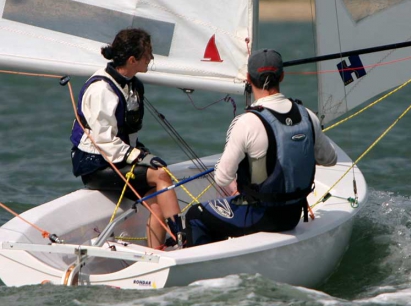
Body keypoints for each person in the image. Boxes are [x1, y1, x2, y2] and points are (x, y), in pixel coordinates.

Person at [185, 48, 337, 246]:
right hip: (292, 215)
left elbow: (222, 178)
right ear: (282, 76)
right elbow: (330, 159)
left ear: (248, 78)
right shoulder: (308, 116)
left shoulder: (247, 122)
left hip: (259, 216)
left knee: (195, 215)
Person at [70, 28, 182, 249]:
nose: (151, 58)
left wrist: (140, 153)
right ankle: (181, 236)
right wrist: (138, 156)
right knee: (162, 176)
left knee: (157, 201)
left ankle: (156, 252)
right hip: (95, 164)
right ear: (132, 60)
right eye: (148, 54)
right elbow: (104, 142)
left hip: (118, 158)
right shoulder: (102, 89)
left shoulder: (132, 84)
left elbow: (127, 135)